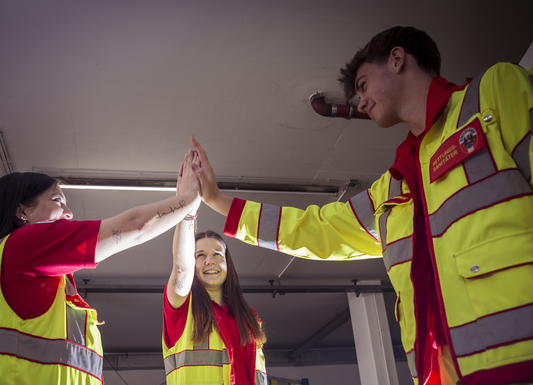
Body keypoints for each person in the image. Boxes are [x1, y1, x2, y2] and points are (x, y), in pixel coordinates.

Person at [188, 26, 533, 385]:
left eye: (364, 85)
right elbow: (318, 229)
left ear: (397, 60)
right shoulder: (393, 188)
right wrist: (218, 201)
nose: (361, 103)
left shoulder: (491, 95)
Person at [0, 170, 200, 384]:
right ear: (22, 211)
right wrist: (191, 197)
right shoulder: (22, 246)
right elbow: (136, 226)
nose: (69, 213)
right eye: (57, 200)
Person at [162, 150, 267, 385]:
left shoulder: (250, 320)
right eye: (199, 255)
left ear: (227, 263)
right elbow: (181, 269)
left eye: (217, 254)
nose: (209, 260)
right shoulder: (181, 309)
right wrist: (186, 209)